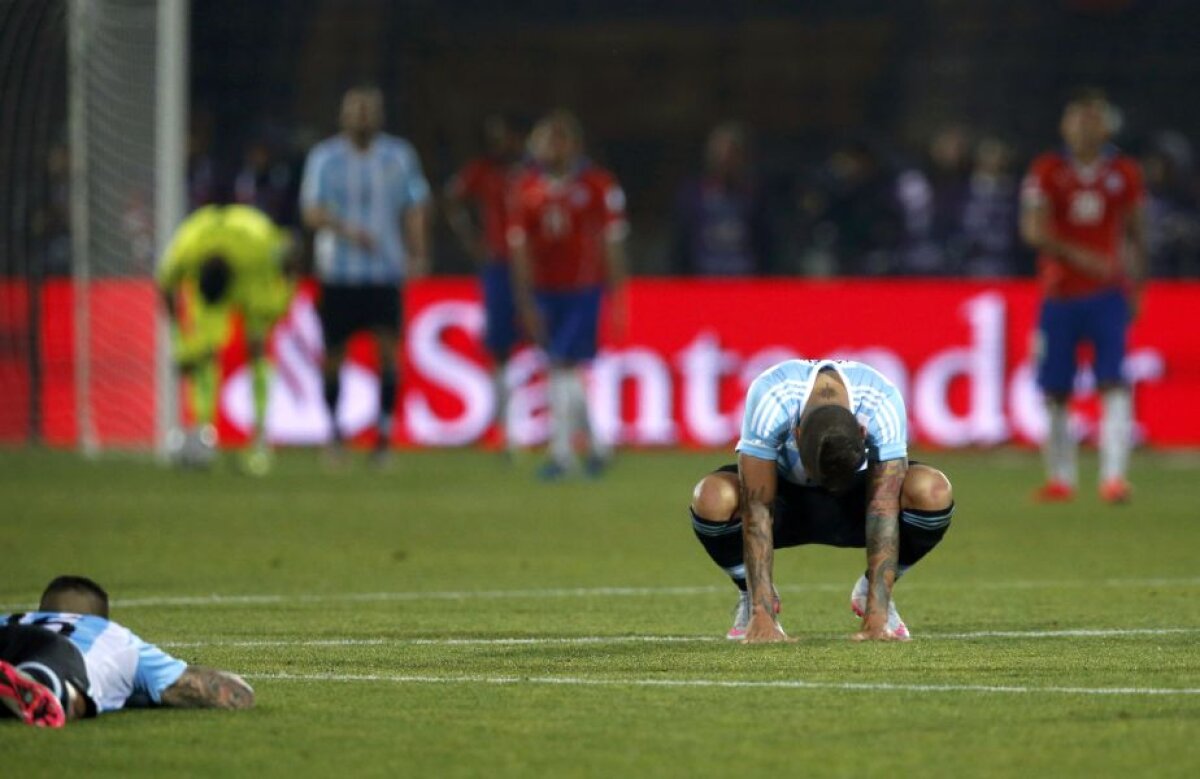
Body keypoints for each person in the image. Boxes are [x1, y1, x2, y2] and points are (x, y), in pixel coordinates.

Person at [687, 358, 955, 642]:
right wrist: (762, 614)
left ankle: (872, 595)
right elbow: (758, 507)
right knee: (712, 497)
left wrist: (876, 617)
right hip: (785, 502)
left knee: (932, 490)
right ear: (796, 433)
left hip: (857, 504)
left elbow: (883, 507)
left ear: (863, 434)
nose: (823, 487)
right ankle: (748, 591)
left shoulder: (881, 401)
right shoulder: (773, 396)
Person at [1020, 88, 1148, 504]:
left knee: (1113, 381)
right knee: (1057, 390)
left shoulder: (1124, 172)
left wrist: (1137, 286)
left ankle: (1114, 477)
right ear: (1064, 125)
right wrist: (1080, 255)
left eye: (1091, 119)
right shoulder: (1047, 170)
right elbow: (1033, 230)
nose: (1083, 127)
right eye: (1076, 119)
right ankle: (1061, 478)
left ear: (1107, 126)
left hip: (1107, 295)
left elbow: (1137, 231)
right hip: (1059, 295)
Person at [300, 85, 432, 465]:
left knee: (389, 352)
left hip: (384, 271)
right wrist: (345, 229)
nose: (362, 117)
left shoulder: (399, 156)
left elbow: (414, 206)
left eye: (368, 110)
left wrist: (418, 251)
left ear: (379, 116)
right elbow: (311, 212)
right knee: (333, 355)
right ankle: (333, 432)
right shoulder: (325, 158)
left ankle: (385, 437)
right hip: (338, 273)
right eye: (355, 110)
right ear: (342, 115)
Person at [508, 110, 628, 479]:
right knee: (566, 369)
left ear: (573, 145)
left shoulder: (597, 186)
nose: (549, 147)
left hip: (583, 291)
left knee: (561, 364)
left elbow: (612, 243)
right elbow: (519, 250)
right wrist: (526, 300)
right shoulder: (525, 190)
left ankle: (561, 455)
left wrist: (617, 294)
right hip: (545, 292)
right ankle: (597, 447)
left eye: (557, 140)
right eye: (545, 140)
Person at [1, 575, 253, 728]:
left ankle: (18, 682)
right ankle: (44, 687)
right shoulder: (115, 636)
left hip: (7, 639)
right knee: (61, 677)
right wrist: (134, 693)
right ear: (99, 615)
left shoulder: (13, 618)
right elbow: (235, 695)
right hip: (57, 654)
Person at [158, 204, 297, 474]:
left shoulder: (259, 246)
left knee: (257, 352)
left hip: (254, 274)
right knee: (202, 355)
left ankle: (259, 437)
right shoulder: (187, 248)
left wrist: (288, 287)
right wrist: (180, 341)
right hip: (216, 269)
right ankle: (202, 434)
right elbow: (165, 285)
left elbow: (290, 254)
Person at [444, 115, 528, 453]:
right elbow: (452, 200)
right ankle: (508, 431)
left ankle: (558, 431)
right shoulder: (482, 171)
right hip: (499, 266)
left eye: (504, 136)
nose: (499, 145)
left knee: (552, 348)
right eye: (493, 138)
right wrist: (471, 240)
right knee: (500, 347)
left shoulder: (534, 172)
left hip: (539, 270)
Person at [671, 122, 773, 276]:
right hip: (704, 282)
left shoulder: (755, 197)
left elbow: (767, 246)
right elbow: (680, 247)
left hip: (745, 282)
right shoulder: (692, 197)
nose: (725, 161)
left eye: (731, 154)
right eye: (720, 154)